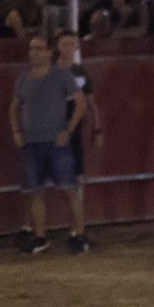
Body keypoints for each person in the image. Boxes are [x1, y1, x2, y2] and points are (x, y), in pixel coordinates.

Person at [10, 34, 91, 255]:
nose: (33, 52)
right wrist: (16, 131)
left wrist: (69, 130)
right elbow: (14, 107)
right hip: (34, 142)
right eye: (31, 48)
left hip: (55, 141)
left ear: (48, 52)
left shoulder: (61, 76)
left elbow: (81, 103)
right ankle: (40, 236)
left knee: (68, 190)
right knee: (36, 192)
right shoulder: (24, 78)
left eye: (38, 49)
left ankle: (79, 234)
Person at [55, 29, 104, 221]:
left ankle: (77, 225)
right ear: (58, 46)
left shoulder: (80, 73)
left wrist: (97, 128)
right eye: (64, 43)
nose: (68, 48)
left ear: (77, 46)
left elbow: (91, 104)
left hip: (73, 129)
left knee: (77, 174)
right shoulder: (50, 71)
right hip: (52, 125)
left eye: (71, 44)